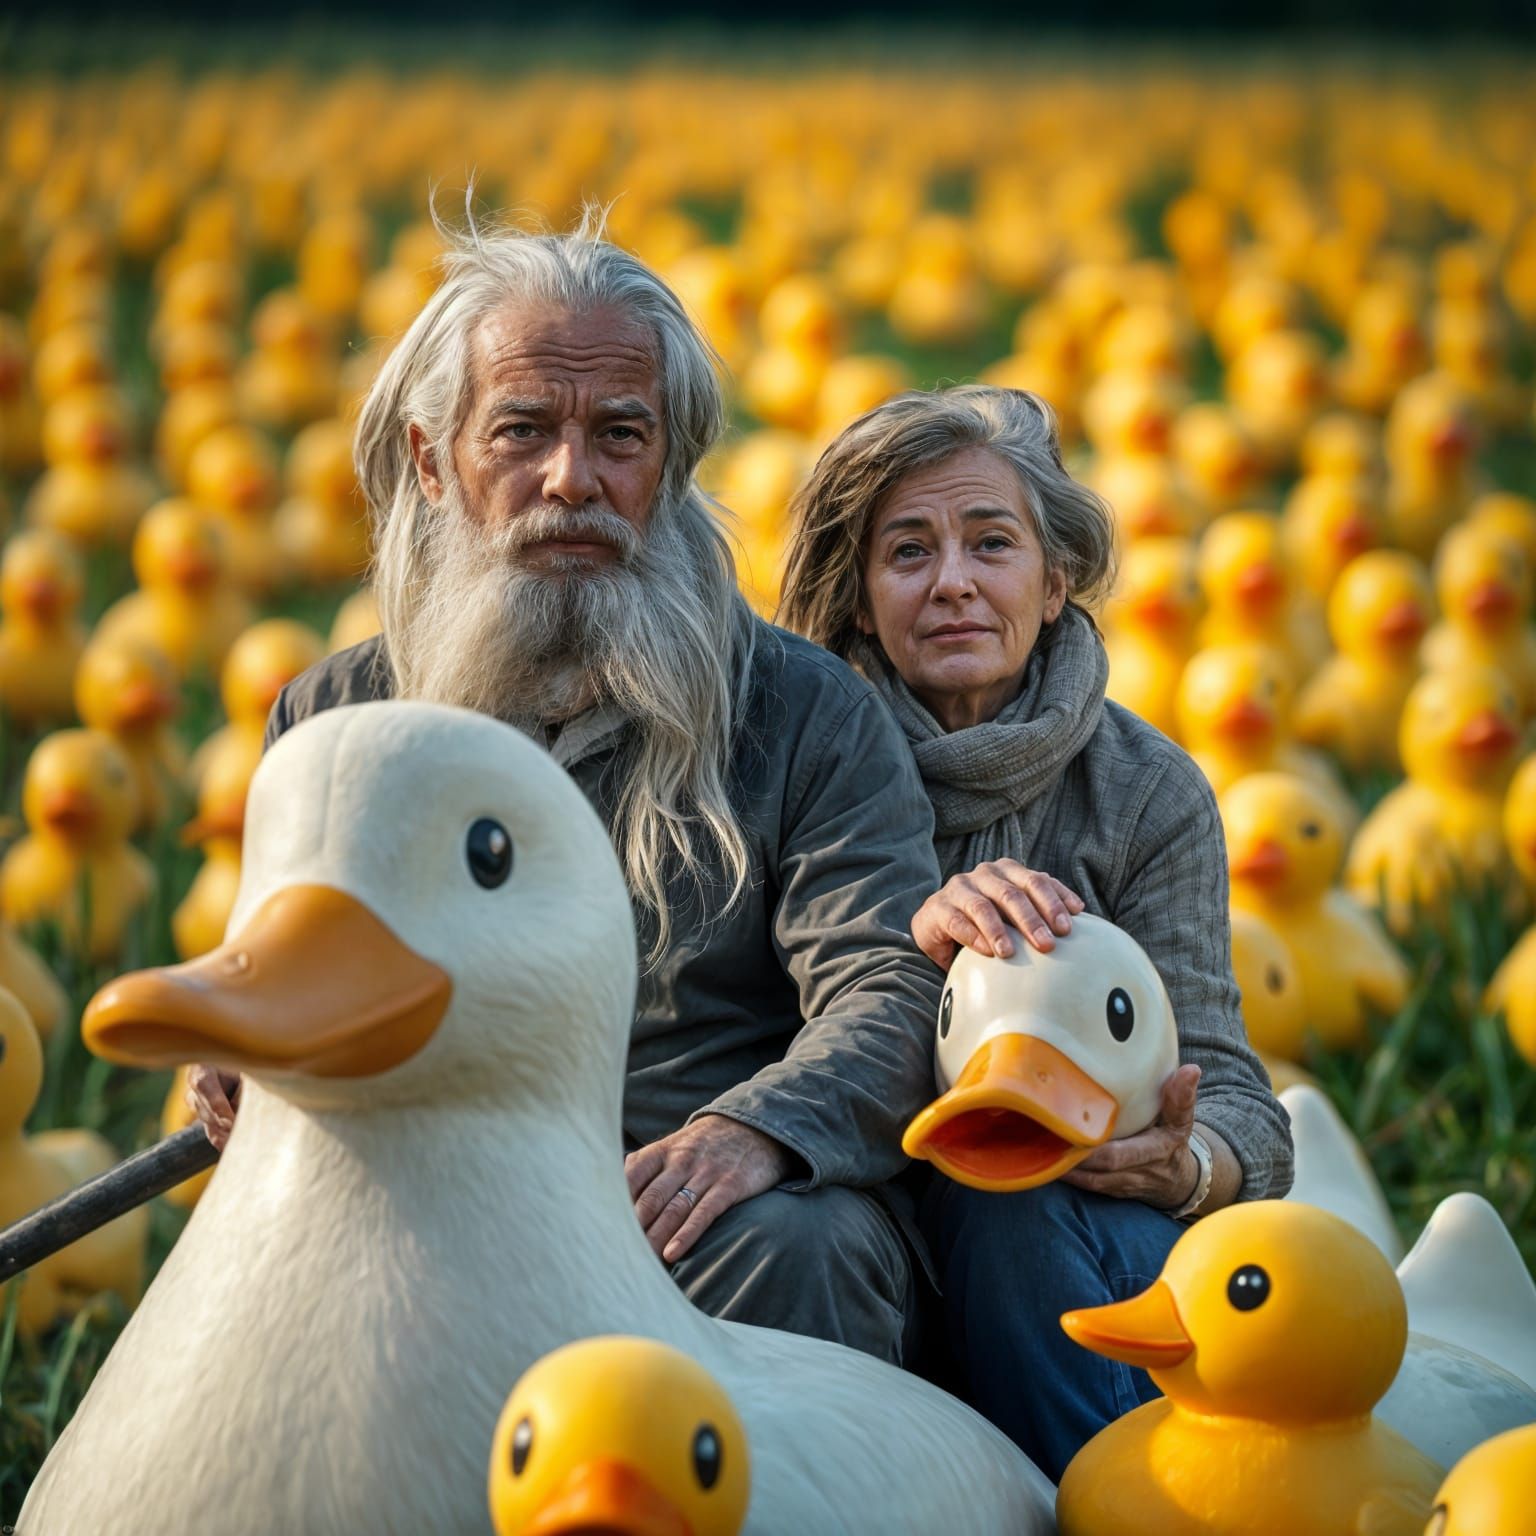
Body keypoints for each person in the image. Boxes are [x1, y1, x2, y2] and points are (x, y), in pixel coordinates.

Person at [187, 212, 945, 1365]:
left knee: (804, 1242)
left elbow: (888, 985)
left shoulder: (805, 717)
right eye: (523, 431)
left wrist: (756, 1131)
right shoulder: (338, 723)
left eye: (621, 435)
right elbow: (288, 962)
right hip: (430, 1194)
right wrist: (249, 1056)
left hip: (694, 1216)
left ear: (672, 462)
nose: (572, 480)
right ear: (435, 460)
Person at [778, 384, 1294, 1477]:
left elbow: (1247, 1107)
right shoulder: (800, 768)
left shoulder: (1145, 794)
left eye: (992, 543)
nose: (953, 581)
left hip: (1068, 1236)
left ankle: (1103, 1497)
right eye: (907, 550)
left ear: (1056, 582)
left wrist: (1181, 1166)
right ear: (862, 600)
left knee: (1006, 1206)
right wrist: (886, 946)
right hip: (866, 1226)